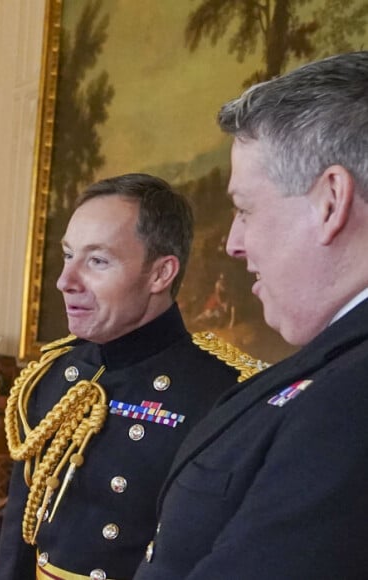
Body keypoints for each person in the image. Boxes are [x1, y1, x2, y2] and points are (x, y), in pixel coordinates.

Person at [134, 51, 368, 580]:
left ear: (330, 201)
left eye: (245, 209)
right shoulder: (338, 367)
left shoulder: (350, 400)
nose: (234, 243)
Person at [0, 173, 263, 579]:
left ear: (160, 274)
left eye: (97, 261)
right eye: (68, 255)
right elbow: (21, 533)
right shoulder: (52, 374)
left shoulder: (225, 394)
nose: (65, 282)